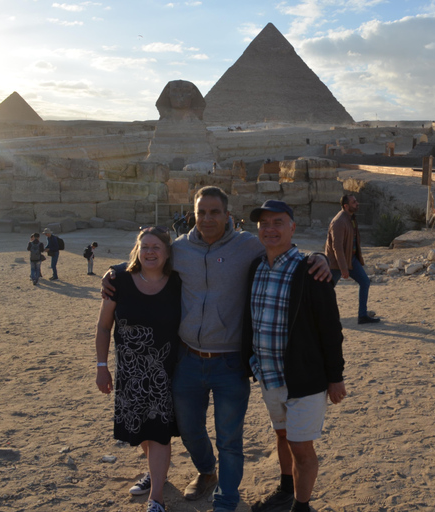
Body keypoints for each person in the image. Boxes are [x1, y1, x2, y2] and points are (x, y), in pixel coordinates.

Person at [101, 187, 330, 512]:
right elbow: (150, 256)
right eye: (202, 212)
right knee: (190, 429)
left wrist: (318, 257)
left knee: (230, 441)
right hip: (189, 360)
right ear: (194, 214)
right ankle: (207, 472)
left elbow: (281, 248)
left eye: (214, 212)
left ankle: (226, 500)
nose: (208, 219)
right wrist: (115, 270)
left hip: (230, 364)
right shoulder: (180, 249)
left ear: (227, 215)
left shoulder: (248, 246)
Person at [243, 200, 345, 512]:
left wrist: (335, 377)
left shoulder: (311, 270)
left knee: (301, 448)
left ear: (292, 228)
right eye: (264, 224)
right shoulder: (256, 268)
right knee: (283, 435)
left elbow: (330, 328)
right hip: (269, 373)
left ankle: (302, 506)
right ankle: (287, 490)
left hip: (304, 377)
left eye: (277, 223)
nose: (270, 229)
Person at [95, 227, 181, 512]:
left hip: (165, 372)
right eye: (145, 246)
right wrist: (101, 366)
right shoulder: (118, 280)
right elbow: (104, 326)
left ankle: (156, 498)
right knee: (142, 429)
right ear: (137, 249)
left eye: (157, 246)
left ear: (168, 252)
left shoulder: (179, 282)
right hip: (130, 373)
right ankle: (155, 474)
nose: (150, 252)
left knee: (159, 431)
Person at [325, 194, 379, 324]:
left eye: (356, 201)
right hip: (336, 262)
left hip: (351, 258)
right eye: (354, 202)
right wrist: (343, 268)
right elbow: (337, 247)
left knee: (365, 282)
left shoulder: (351, 218)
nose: (357, 203)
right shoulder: (339, 222)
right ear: (346, 206)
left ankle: (362, 315)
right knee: (325, 290)